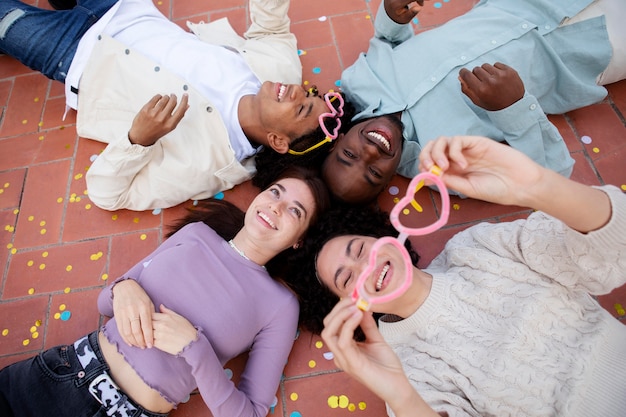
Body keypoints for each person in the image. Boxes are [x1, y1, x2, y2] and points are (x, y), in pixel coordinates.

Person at [285, 136, 626, 416]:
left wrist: (536, 187)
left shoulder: (478, 246)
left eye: (360, 249)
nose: (367, 266)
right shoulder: (403, 369)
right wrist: (402, 398)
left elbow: (612, 250)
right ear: (350, 306)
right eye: (347, 279)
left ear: (381, 236)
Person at [0, 165, 330, 417]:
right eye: (275, 192)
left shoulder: (280, 305)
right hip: (64, 370)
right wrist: (124, 287)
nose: (276, 206)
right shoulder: (197, 234)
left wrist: (196, 349)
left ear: (298, 240)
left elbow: (251, 412)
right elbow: (105, 302)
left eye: (295, 210)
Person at [0, 0, 348, 211]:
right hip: (124, 8)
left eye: (301, 108)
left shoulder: (205, 165)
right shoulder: (280, 71)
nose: (296, 92)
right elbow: (272, 31)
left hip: (73, 54)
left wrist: (138, 139)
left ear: (278, 141)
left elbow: (107, 194)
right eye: (308, 93)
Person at [319, 0, 626, 204]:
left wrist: (392, 19)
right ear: (387, 183)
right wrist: (513, 106)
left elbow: (388, 44)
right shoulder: (444, 167)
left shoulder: (358, 82)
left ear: (338, 140)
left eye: (349, 155)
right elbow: (549, 177)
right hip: (590, 45)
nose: (371, 152)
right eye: (373, 173)